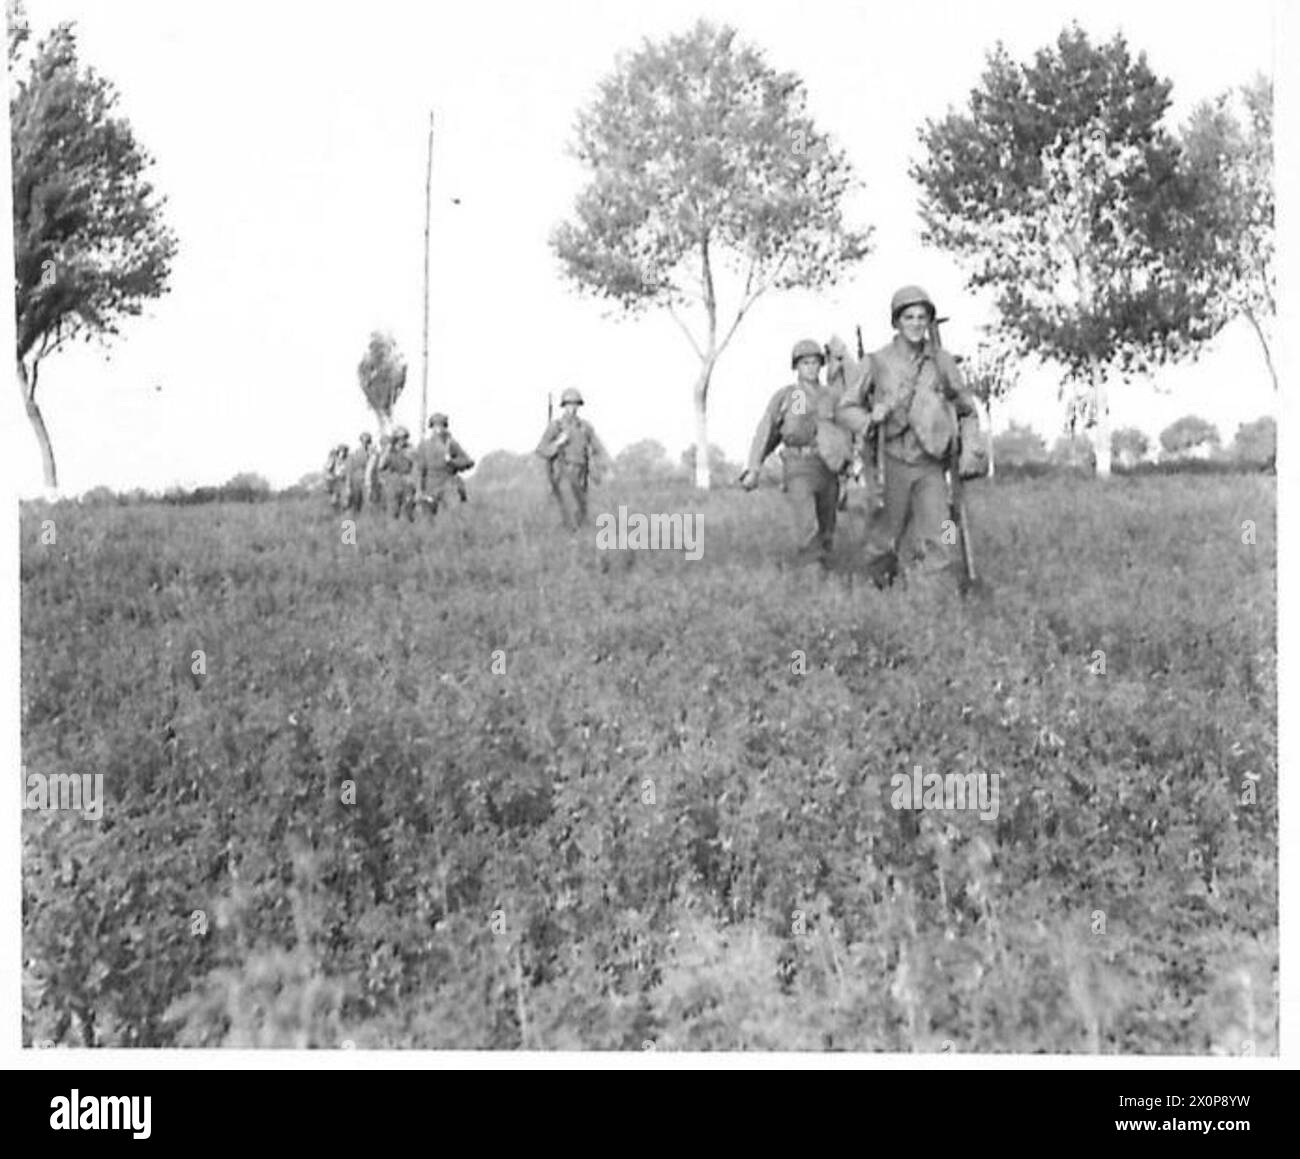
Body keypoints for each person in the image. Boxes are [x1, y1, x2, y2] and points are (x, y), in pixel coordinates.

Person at [835, 285, 979, 585]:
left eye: (921, 317)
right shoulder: (876, 362)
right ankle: (877, 592)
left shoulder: (942, 362)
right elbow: (845, 408)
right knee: (885, 537)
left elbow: (966, 409)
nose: (915, 323)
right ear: (897, 322)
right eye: (908, 317)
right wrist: (870, 419)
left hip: (932, 464)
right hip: (892, 463)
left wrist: (970, 450)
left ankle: (931, 599)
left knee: (942, 533)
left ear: (928, 322)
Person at [739, 339, 853, 568]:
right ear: (796, 367)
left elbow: (846, 433)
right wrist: (754, 467)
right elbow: (767, 431)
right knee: (807, 524)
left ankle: (824, 574)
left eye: (814, 362)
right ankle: (811, 575)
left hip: (827, 467)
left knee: (827, 527)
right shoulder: (788, 396)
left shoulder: (832, 396)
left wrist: (847, 473)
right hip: (798, 466)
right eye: (805, 363)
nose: (810, 367)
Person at [535, 387, 609, 530]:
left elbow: (598, 449)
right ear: (564, 406)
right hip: (563, 474)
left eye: (575, 404)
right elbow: (541, 449)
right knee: (569, 513)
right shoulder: (556, 426)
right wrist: (558, 443)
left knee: (582, 511)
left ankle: (577, 541)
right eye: (569, 404)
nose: (572, 408)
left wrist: (601, 469)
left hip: (582, 474)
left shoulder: (585, 427)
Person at [415, 413, 475, 517]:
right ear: (431, 427)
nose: (438, 429)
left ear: (445, 427)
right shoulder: (424, 445)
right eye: (435, 425)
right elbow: (420, 470)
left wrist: (452, 461)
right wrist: (419, 490)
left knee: (454, 516)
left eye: (441, 425)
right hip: (431, 486)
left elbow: (468, 462)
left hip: (448, 483)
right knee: (427, 520)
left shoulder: (451, 444)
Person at [378, 426, 417, 521]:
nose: (403, 441)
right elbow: (381, 466)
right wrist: (388, 449)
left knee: (408, 511)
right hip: (394, 482)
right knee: (393, 511)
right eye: (400, 439)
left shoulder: (410, 450)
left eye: (404, 438)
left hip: (407, 481)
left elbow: (416, 466)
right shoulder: (390, 451)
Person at [345, 433, 374, 513]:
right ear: (361, 441)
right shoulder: (355, 453)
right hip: (357, 481)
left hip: (370, 482)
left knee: (370, 505)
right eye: (364, 441)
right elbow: (349, 471)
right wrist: (348, 486)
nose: (366, 443)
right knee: (355, 505)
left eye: (367, 441)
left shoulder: (373, 453)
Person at [324, 444, 349, 511]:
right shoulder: (334, 458)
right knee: (336, 497)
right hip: (334, 480)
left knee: (339, 497)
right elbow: (329, 468)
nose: (343, 453)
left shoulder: (344, 460)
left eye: (344, 451)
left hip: (338, 480)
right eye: (341, 451)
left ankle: (341, 507)